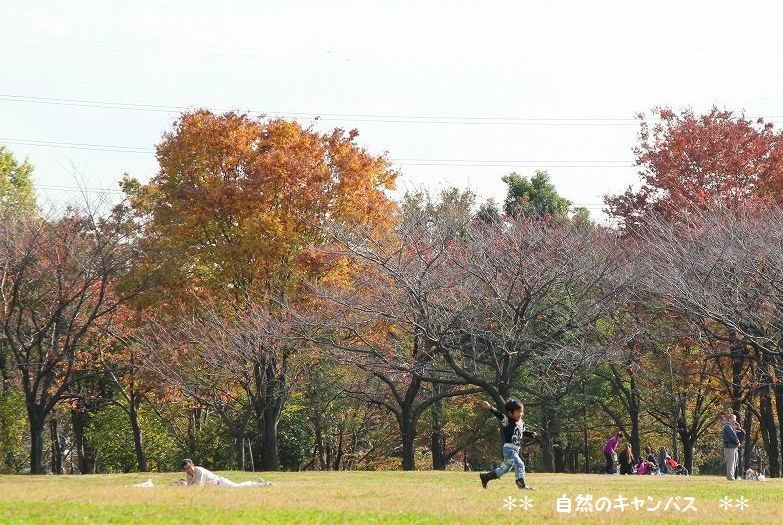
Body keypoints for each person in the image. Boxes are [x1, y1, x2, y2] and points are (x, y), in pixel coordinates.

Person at [478, 398, 536, 490]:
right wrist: (490, 407)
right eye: (518, 412)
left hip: (515, 450)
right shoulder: (507, 421)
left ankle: (486, 477)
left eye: (521, 411)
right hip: (509, 449)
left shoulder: (521, 422)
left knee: (503, 469)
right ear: (510, 413)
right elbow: (499, 415)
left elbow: (522, 432)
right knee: (520, 464)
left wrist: (530, 434)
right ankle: (521, 485)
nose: (520, 414)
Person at [181, 459, 271, 487]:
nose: (189, 470)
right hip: (215, 489)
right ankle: (257, 483)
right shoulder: (188, 475)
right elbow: (190, 488)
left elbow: (197, 487)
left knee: (238, 488)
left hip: (220, 483)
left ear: (193, 465)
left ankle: (260, 484)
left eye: (189, 467)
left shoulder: (199, 471)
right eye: (186, 469)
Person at [722, 413, 745, 481]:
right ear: (729, 419)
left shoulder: (733, 428)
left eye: (735, 419)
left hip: (734, 448)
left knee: (735, 463)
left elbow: (743, 434)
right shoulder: (727, 427)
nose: (735, 421)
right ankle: (730, 477)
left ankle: (732, 476)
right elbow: (733, 436)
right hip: (729, 447)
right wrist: (738, 442)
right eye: (733, 419)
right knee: (730, 463)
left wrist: (739, 428)